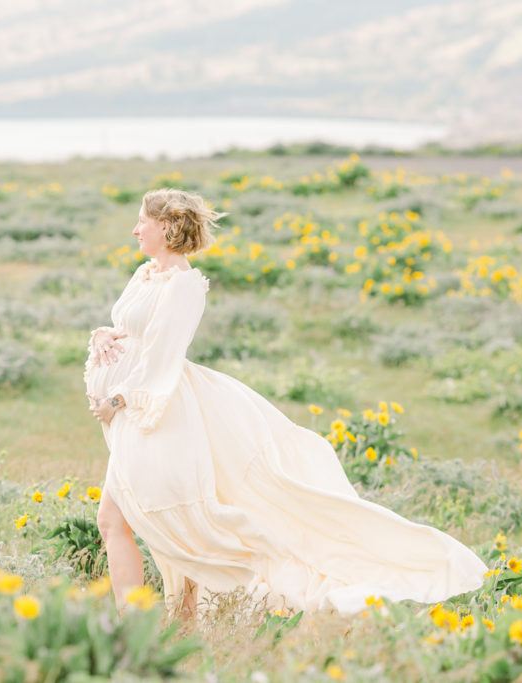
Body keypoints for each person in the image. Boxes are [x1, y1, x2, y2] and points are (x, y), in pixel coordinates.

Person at [83, 188, 488, 622]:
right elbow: (135, 330)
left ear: (165, 226)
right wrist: (105, 334)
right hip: (132, 416)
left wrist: (120, 399)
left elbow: (164, 352)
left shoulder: (183, 283)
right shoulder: (147, 273)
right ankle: (154, 623)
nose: (135, 229)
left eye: (141, 220)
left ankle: (150, 622)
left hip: (158, 414)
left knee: (166, 524)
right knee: (122, 522)